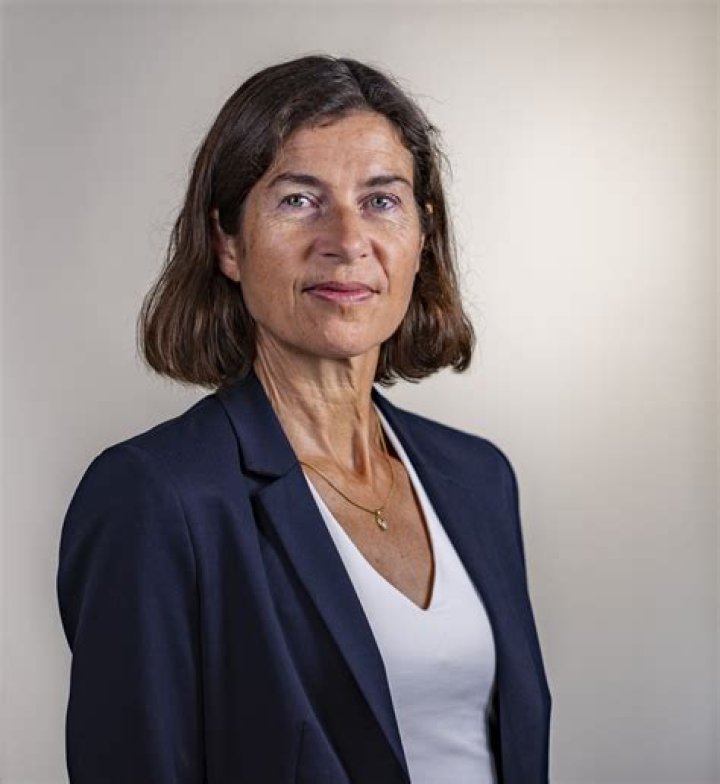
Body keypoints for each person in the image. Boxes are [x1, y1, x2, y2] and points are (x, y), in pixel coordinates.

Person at [56, 54, 551, 784]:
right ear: (227, 242)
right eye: (297, 200)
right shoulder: (156, 498)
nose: (347, 240)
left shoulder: (479, 479)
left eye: (381, 200)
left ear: (422, 236)